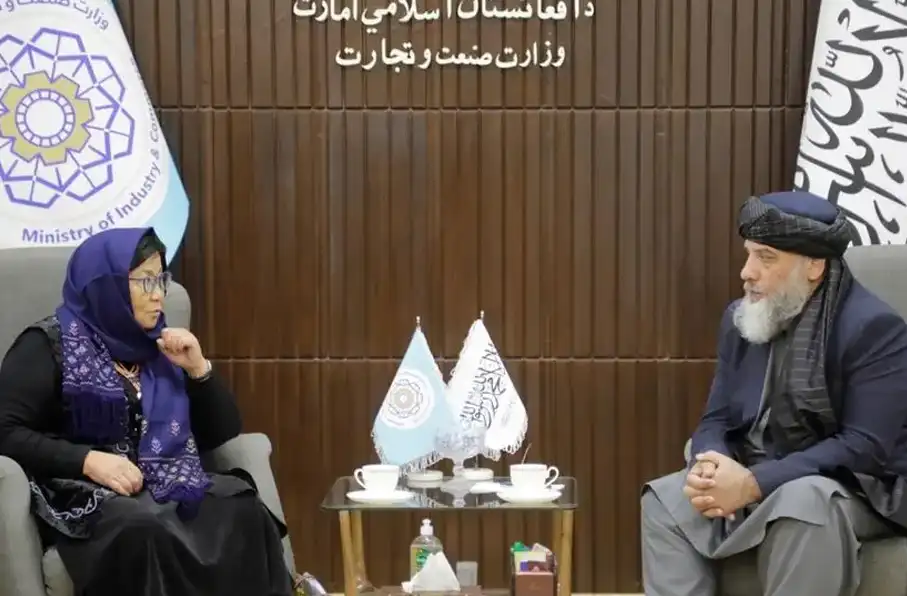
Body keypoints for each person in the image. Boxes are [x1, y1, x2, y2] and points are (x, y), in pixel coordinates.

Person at [0, 228, 294, 596]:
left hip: (166, 479)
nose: (158, 295)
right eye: (145, 281)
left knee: (244, 508)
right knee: (145, 529)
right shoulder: (47, 345)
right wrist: (86, 460)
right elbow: (5, 429)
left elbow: (222, 432)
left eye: (161, 280)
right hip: (88, 493)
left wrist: (199, 370)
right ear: (106, 285)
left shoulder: (160, 345)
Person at [640, 191, 907, 596]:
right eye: (749, 254)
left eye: (766, 258)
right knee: (667, 500)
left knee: (802, 502)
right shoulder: (741, 318)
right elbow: (717, 418)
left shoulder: (874, 329)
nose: (747, 272)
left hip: (857, 486)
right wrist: (710, 465)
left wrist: (755, 482)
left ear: (814, 266)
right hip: (759, 467)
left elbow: (864, 447)